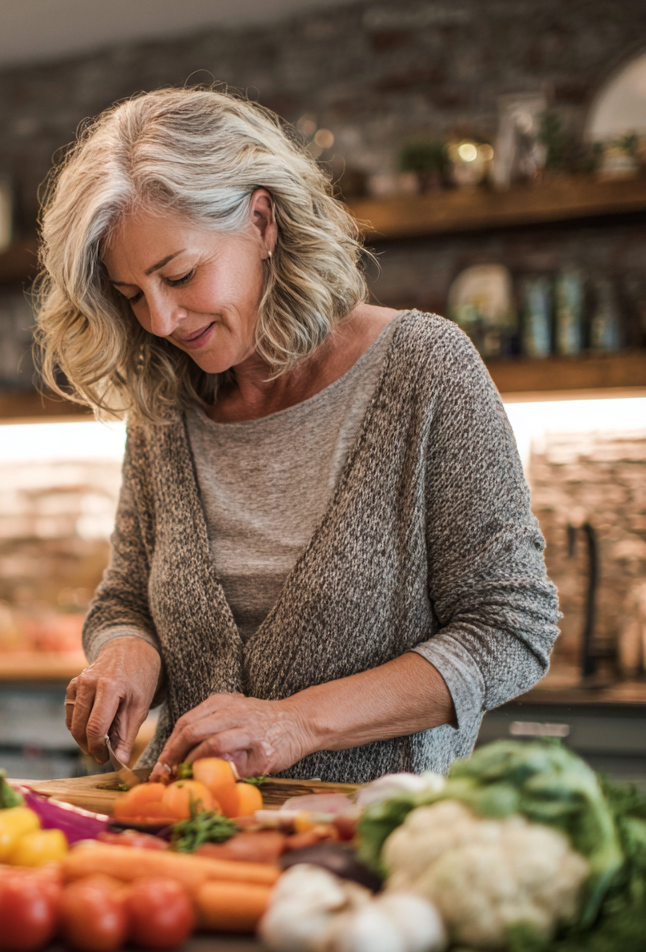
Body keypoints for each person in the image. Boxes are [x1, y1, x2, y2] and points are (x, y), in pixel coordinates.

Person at [34, 87, 560, 783]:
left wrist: (296, 722)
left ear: (262, 221)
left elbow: (512, 629)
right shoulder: (166, 404)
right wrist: (127, 650)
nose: (159, 320)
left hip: (364, 849)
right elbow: (126, 597)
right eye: (131, 295)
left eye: (180, 274)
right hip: (188, 838)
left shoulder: (424, 369)